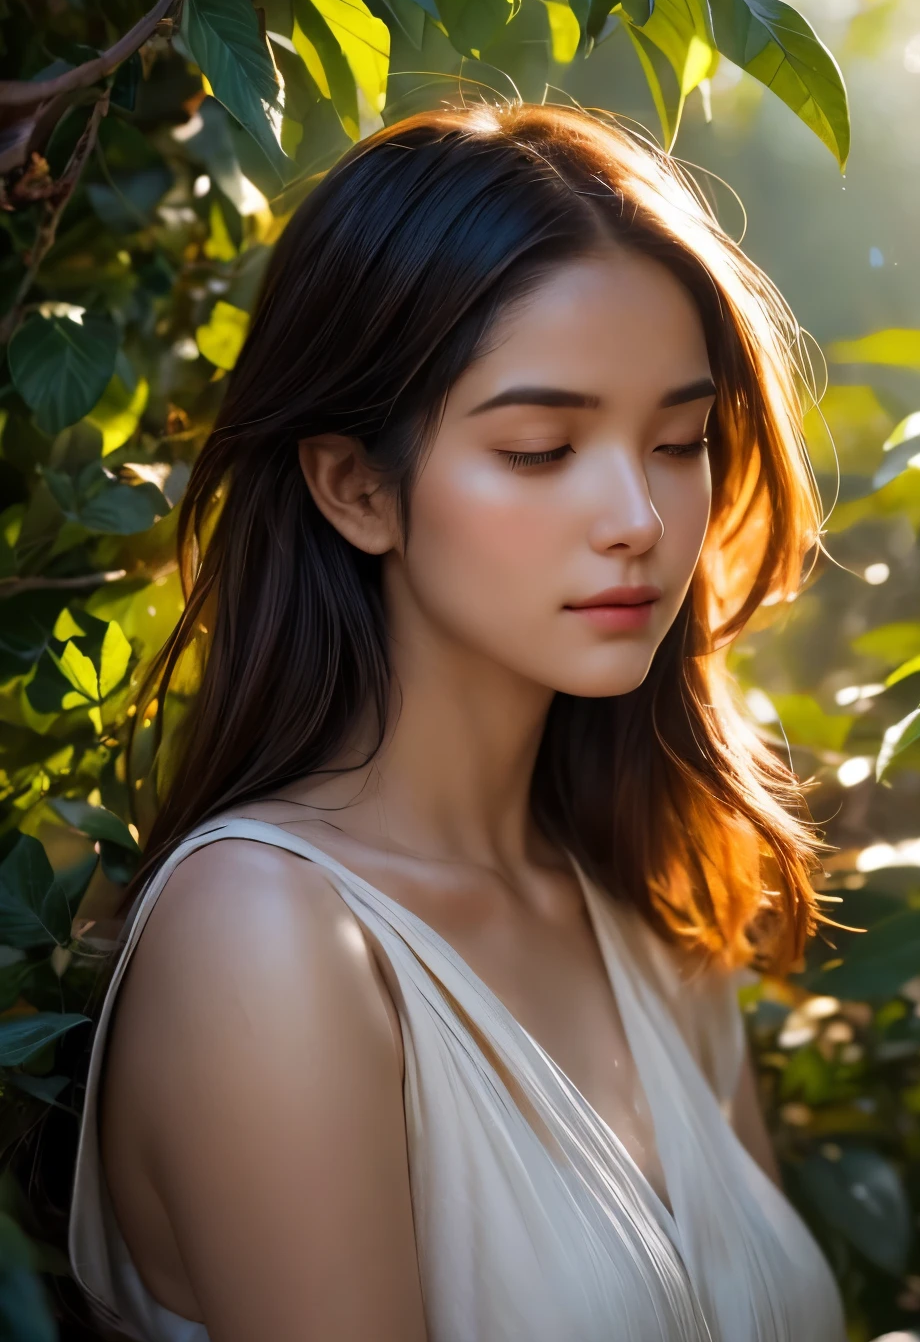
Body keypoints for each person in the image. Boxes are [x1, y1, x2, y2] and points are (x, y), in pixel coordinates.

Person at [68, 102, 847, 1341]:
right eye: (542, 449)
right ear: (356, 486)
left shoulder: (649, 900)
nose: (639, 516)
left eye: (678, 439)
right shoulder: (265, 938)